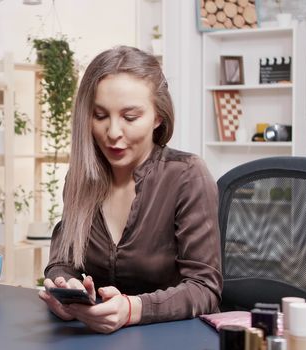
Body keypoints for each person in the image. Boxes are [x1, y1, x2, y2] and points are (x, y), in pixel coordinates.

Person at [38, 46, 222, 334]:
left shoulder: (187, 175)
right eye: (100, 116)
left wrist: (133, 309)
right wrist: (64, 288)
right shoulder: (81, 178)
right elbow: (62, 261)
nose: (113, 132)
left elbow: (204, 290)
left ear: (158, 117)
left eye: (130, 117)